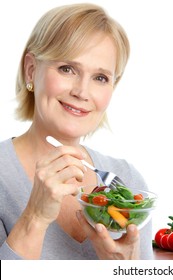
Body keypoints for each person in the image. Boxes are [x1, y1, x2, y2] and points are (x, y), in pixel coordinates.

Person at [0, 3, 153, 260]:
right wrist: (35, 217)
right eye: (67, 69)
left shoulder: (127, 181)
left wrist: (125, 269)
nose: (82, 92)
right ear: (31, 69)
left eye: (101, 78)